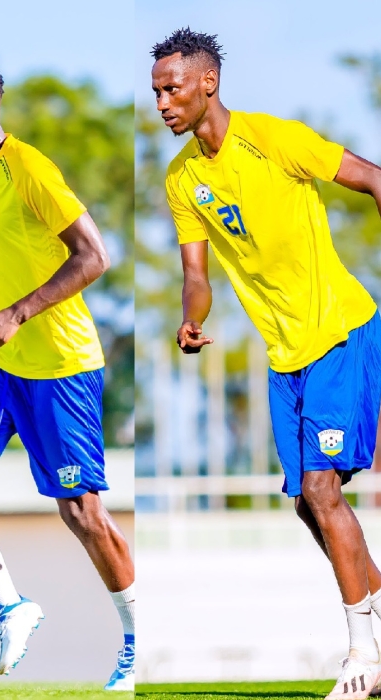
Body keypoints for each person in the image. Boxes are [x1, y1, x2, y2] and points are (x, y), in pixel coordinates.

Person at [153, 27, 381, 700]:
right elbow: (196, 276)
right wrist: (192, 317)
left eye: (172, 89)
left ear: (207, 84)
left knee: (321, 490)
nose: (162, 103)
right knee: (307, 505)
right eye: (156, 92)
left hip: (339, 333)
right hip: (284, 357)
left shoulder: (275, 139)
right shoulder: (181, 179)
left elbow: (373, 178)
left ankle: (363, 655)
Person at [0, 54, 136, 690]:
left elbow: (94, 256)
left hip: (60, 367)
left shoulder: (30, 167)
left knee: (82, 513)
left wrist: (18, 312)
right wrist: (0, 311)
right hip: (1, 364)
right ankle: (12, 607)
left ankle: (137, 640)